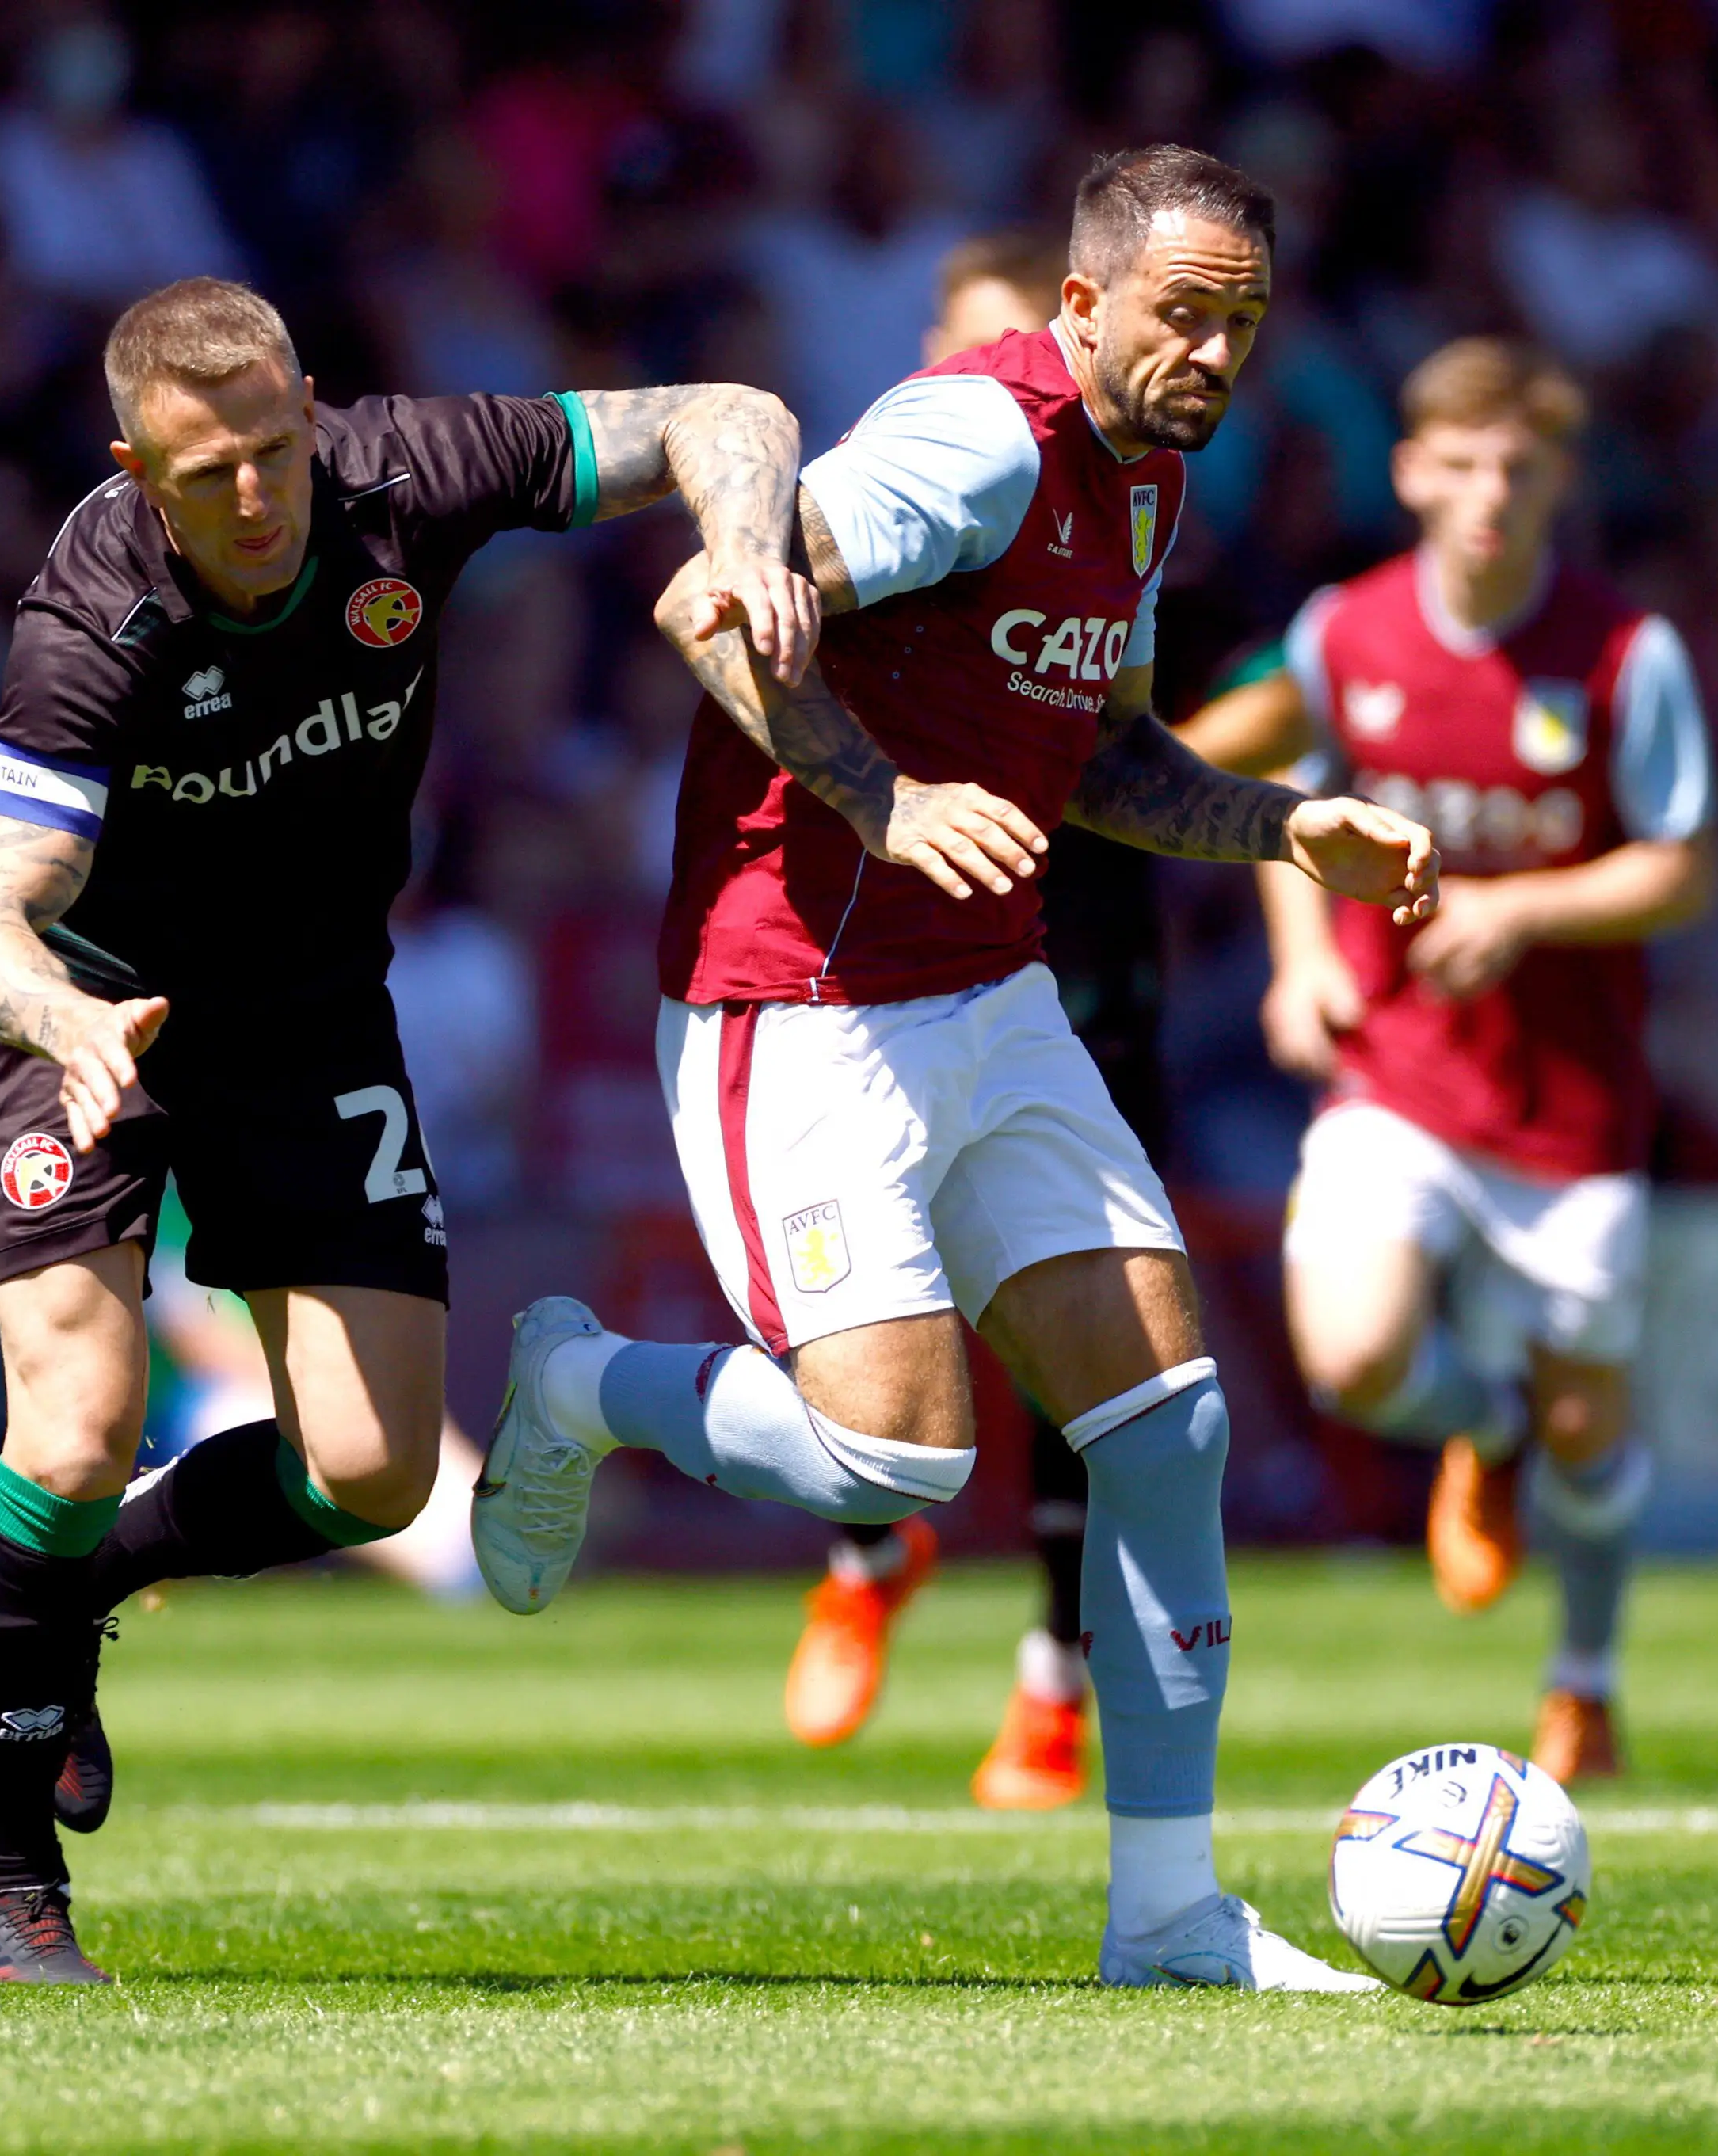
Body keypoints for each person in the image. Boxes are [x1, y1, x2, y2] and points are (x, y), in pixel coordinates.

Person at [474, 147, 1439, 1991]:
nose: (1216, 352)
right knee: (899, 1455)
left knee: (1172, 1426)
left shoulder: (1144, 482)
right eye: (1182, 314)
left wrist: (1284, 825)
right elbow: (705, 611)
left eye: (1242, 322)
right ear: (1079, 307)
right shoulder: (973, 443)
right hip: (801, 998)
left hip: (989, 999)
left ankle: (1167, 1914)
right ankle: (583, 1383)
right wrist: (886, 795)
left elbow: (1111, 758)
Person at [0, 276, 813, 1984]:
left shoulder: (412, 467)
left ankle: (77, 1584)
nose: (257, 499)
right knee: (77, 1416)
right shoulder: (93, 610)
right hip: (93, 1010)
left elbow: (730, 410)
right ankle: (11, 1902)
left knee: (375, 1472)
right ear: (135, 467)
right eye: (206, 476)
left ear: (314, 406)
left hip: (313, 1013)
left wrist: (751, 540)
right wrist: (64, 1021)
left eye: (275, 450)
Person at [1179, 337, 1718, 1786]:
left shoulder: (1622, 654)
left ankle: (1585, 1679)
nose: (1491, 495)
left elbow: (1687, 867)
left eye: (1522, 468)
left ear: (1560, 482)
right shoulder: (1345, 634)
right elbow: (1244, 780)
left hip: (1570, 1107)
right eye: (1464, 465)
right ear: (1411, 472)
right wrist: (1299, 955)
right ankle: (1478, 1428)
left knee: (1592, 1426)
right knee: (1352, 1355)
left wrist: (1523, 906)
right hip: (1402, 1073)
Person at [775, 230, 1166, 1815]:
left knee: (1090, 1316)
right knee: (859, 1262)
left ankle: (1055, 1678)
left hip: (1074, 929)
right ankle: (871, 1535)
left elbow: (1131, 732)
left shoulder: (1126, 488)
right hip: (867, 934)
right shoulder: (916, 469)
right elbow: (740, 608)